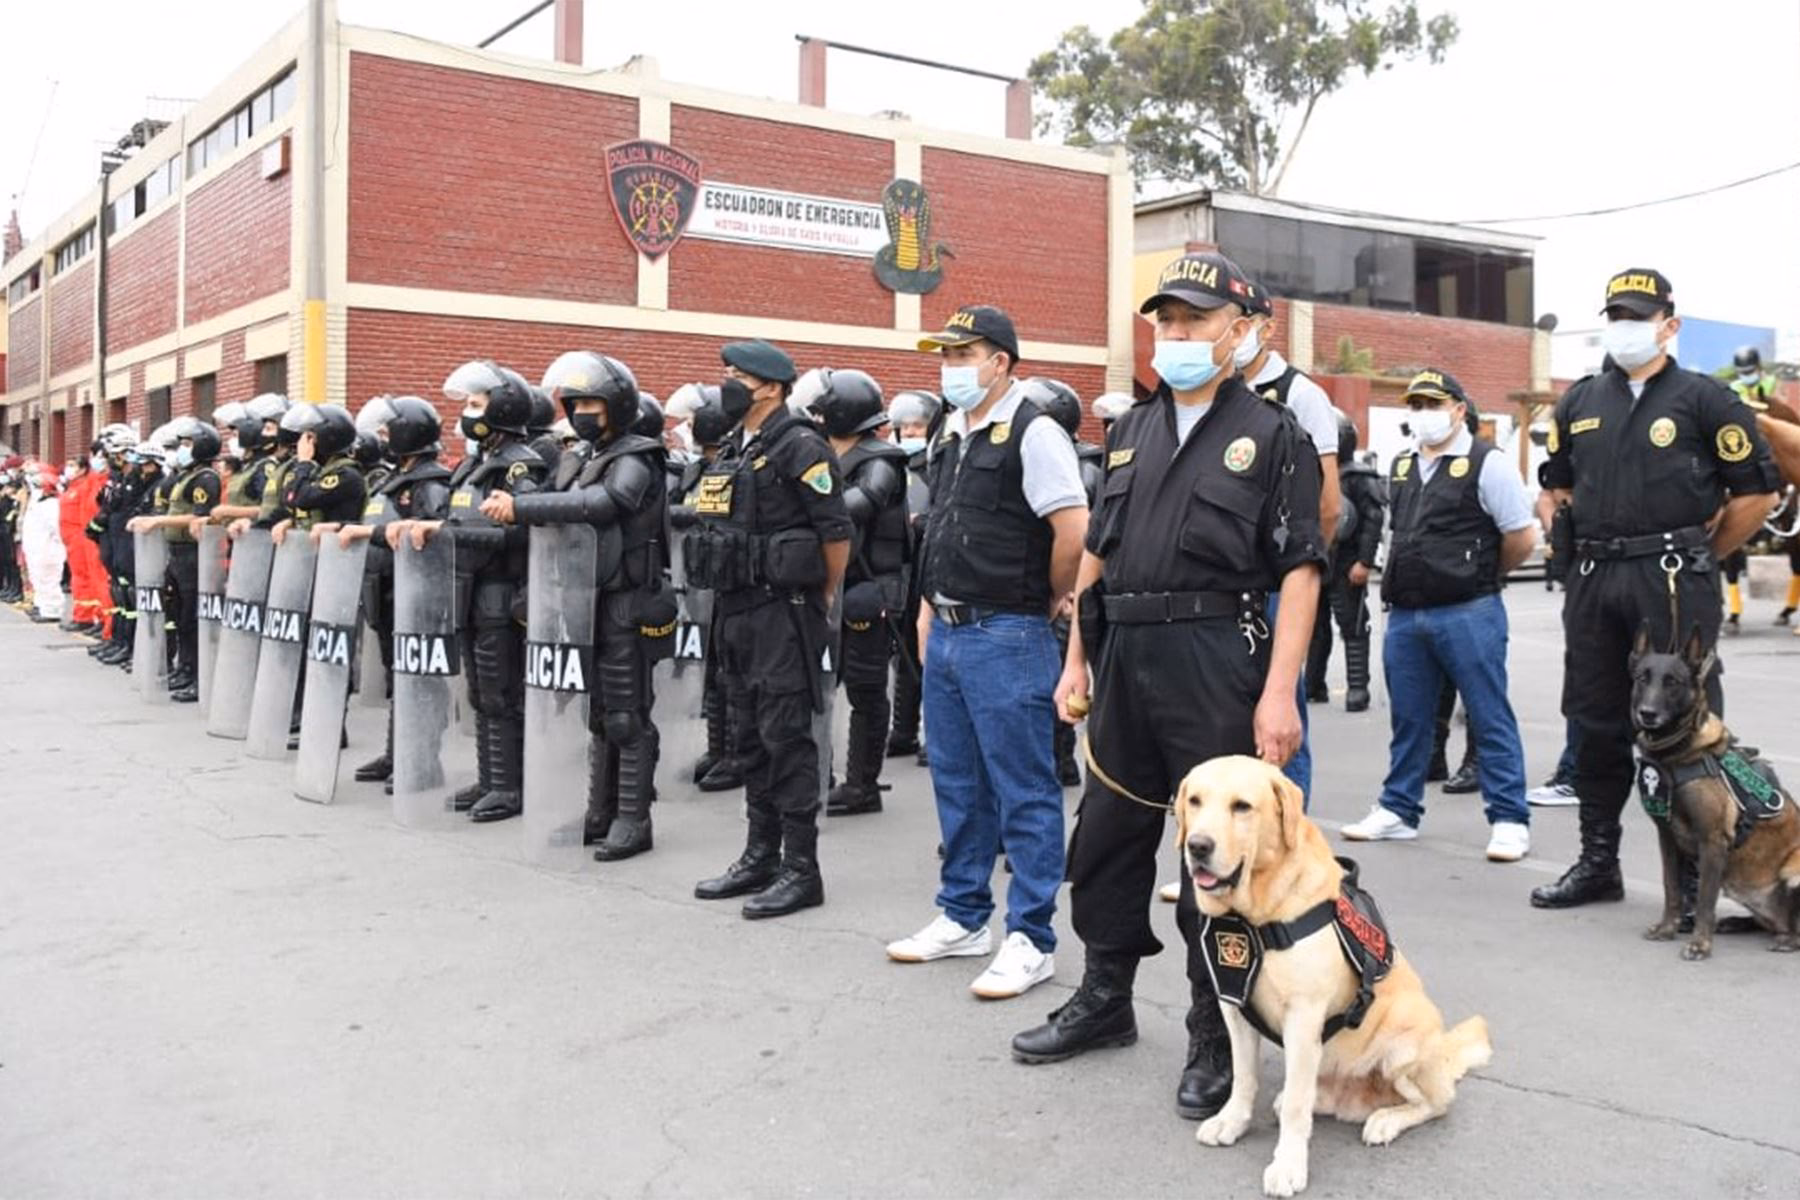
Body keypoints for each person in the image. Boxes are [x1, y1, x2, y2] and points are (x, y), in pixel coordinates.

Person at [1009, 252, 1323, 1122]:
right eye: (1165, 322)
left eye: (1194, 320)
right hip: (1125, 657)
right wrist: (1077, 657)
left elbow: (1301, 571)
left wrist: (1280, 693)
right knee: (1104, 837)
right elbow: (1099, 554)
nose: (1176, 336)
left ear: (1240, 330)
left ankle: (1213, 1031)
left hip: (1217, 654)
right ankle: (1104, 998)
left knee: (1214, 860)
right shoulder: (1133, 429)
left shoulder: (1275, 431)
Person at [1532, 268, 1780, 909]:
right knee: (1590, 717)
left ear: (1669, 325)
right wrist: (1563, 522)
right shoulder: (1581, 401)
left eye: (1638, 316)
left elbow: (1757, 493)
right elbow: (1554, 485)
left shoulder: (1706, 400)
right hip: (1594, 577)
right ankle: (1596, 861)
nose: (1625, 327)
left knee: (1684, 724)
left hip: (1671, 576)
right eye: (1616, 315)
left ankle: (1699, 876)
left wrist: (1703, 555)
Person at [884, 303, 1087, 1001]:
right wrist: (924, 610)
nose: (950, 367)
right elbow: (938, 528)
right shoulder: (951, 433)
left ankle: (1030, 936)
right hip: (946, 630)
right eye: (945, 355)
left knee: (1024, 790)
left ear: (1000, 362)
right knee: (958, 783)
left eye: (963, 354)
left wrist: (1053, 596)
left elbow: (1073, 527)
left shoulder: (1034, 432)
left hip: (1008, 633)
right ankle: (964, 916)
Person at [1339, 369, 1537, 861]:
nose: (1423, 414)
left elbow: (1521, 537)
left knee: (1489, 716)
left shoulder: (1486, 463)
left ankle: (1509, 817)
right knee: (1410, 720)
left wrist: (1483, 576)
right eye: (1416, 405)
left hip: (1468, 610)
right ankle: (1398, 809)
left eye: (1433, 404)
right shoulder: (1402, 466)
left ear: (1458, 409)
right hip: (1407, 614)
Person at [687, 339, 850, 919]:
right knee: (746, 735)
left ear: (772, 387)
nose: (727, 383)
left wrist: (821, 597)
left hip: (782, 613)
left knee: (786, 737)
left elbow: (835, 534)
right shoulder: (737, 446)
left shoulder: (800, 445)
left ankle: (802, 869)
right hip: (735, 611)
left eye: (738, 375)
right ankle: (759, 853)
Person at [488, 351, 671, 861]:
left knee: (627, 714)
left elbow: (605, 505)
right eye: (575, 402)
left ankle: (634, 820)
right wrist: (520, 492)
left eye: (592, 401)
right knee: (598, 715)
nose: (582, 410)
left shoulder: (639, 456)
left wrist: (522, 507)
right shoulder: (577, 457)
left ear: (617, 404)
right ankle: (600, 811)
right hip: (582, 598)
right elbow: (551, 495)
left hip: (626, 601)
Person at [388, 362, 548, 823]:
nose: (467, 413)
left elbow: (518, 531)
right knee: (480, 692)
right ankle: (490, 777)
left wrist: (447, 531)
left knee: (501, 692)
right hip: (469, 589)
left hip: (499, 590)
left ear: (501, 409)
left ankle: (510, 785)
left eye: (476, 405)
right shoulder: (475, 465)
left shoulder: (520, 463)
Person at [1232, 278, 1340, 801]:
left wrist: (1295, 577)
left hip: (1272, 589)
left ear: (1264, 328)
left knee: (1277, 728)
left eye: (1241, 322)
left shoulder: (1300, 396)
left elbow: (1327, 506)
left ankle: (1286, 856)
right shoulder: (1212, 391)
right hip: (1215, 588)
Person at [798, 368, 909, 818]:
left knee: (865, 689)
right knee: (818, 685)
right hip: (829, 588)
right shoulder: (825, 454)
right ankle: (817, 773)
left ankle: (862, 784)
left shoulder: (881, 459)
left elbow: (859, 506)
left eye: (822, 411)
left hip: (868, 590)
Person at [339, 394, 453, 790]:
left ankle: (423, 760)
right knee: (397, 675)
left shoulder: (431, 484)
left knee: (420, 677)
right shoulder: (391, 479)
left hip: (415, 596)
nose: (382, 437)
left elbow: (429, 538)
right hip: (385, 591)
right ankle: (398, 751)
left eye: (388, 430)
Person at [1026, 377, 1102, 788]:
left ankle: (1060, 760)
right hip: (1042, 587)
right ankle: (1061, 760)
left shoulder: (1084, 468)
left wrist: (1067, 589)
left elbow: (1085, 536)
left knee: (1058, 682)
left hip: (1066, 593)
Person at [669, 389, 745, 794]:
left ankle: (735, 754)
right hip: (698, 580)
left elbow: (706, 512)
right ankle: (717, 749)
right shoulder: (695, 470)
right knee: (712, 674)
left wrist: (673, 514)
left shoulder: (732, 466)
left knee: (729, 673)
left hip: (727, 581)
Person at [127, 419, 222, 701]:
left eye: (187, 444)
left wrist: (159, 522)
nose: (182, 450)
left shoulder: (206, 477)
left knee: (193, 616)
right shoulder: (184, 476)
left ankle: (197, 675)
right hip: (177, 552)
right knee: (180, 614)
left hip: (194, 553)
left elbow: (198, 515)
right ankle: (185, 666)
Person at [1305, 408, 1385, 712]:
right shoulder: (1314, 476)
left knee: (1352, 626)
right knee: (1313, 628)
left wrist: (1364, 562)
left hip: (1346, 563)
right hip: (1318, 561)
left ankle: (1357, 688)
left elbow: (1373, 519)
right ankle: (1313, 684)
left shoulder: (1359, 478)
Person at [884, 389, 940, 766]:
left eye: (917, 425)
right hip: (898, 567)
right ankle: (902, 728)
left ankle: (929, 732)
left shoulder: (938, 464)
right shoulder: (890, 466)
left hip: (929, 566)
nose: (910, 432)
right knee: (902, 653)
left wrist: (922, 524)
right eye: (904, 427)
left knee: (927, 652)